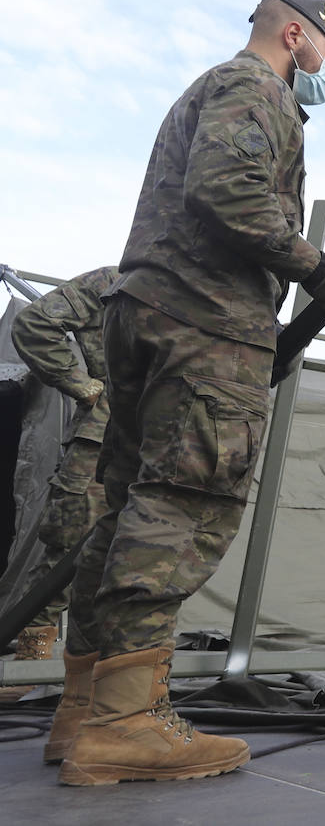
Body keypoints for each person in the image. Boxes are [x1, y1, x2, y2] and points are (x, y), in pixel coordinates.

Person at [52, 0, 325, 786]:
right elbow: (225, 192)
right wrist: (315, 267)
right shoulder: (254, 88)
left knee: (126, 506)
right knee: (183, 506)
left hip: (150, 311)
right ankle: (124, 724)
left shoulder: (208, 90)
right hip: (202, 323)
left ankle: (82, 710)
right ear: (295, 36)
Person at [6, 266, 118, 685]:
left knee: (147, 561)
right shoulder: (118, 280)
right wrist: (83, 385)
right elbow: (34, 323)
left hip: (178, 443)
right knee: (67, 551)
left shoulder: (224, 296)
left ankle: (113, 674)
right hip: (104, 437)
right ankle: (30, 667)